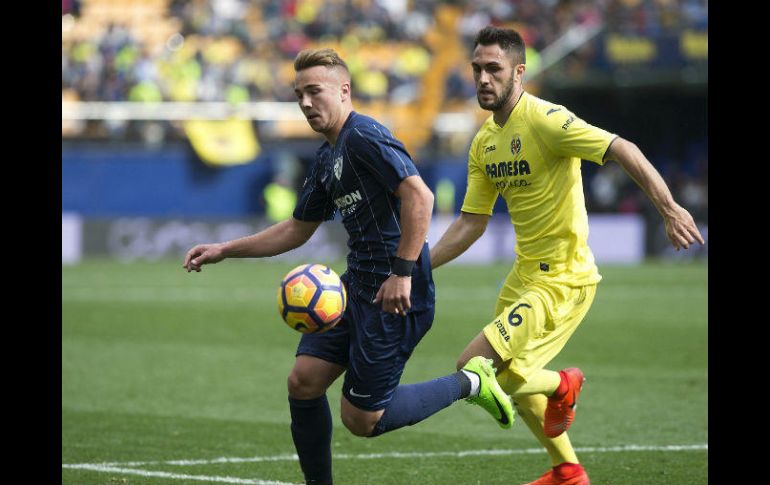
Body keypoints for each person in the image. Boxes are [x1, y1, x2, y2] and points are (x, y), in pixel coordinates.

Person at [183, 48, 514, 485]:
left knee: (363, 420)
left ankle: (471, 383)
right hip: (354, 288)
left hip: (395, 295)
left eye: (314, 91)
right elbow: (297, 230)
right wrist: (226, 249)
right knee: (303, 381)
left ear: (344, 90)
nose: (304, 103)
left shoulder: (364, 136)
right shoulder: (326, 159)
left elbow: (420, 197)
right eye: (298, 94)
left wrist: (402, 272)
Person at [429, 26, 705, 485]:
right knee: (509, 380)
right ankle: (568, 471)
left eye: (493, 69)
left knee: (475, 368)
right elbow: (471, 223)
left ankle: (563, 385)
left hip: (562, 280)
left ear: (519, 72)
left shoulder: (546, 120)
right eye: (477, 68)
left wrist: (669, 208)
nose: (482, 78)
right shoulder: (483, 143)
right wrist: (417, 267)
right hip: (524, 276)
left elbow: (622, 148)